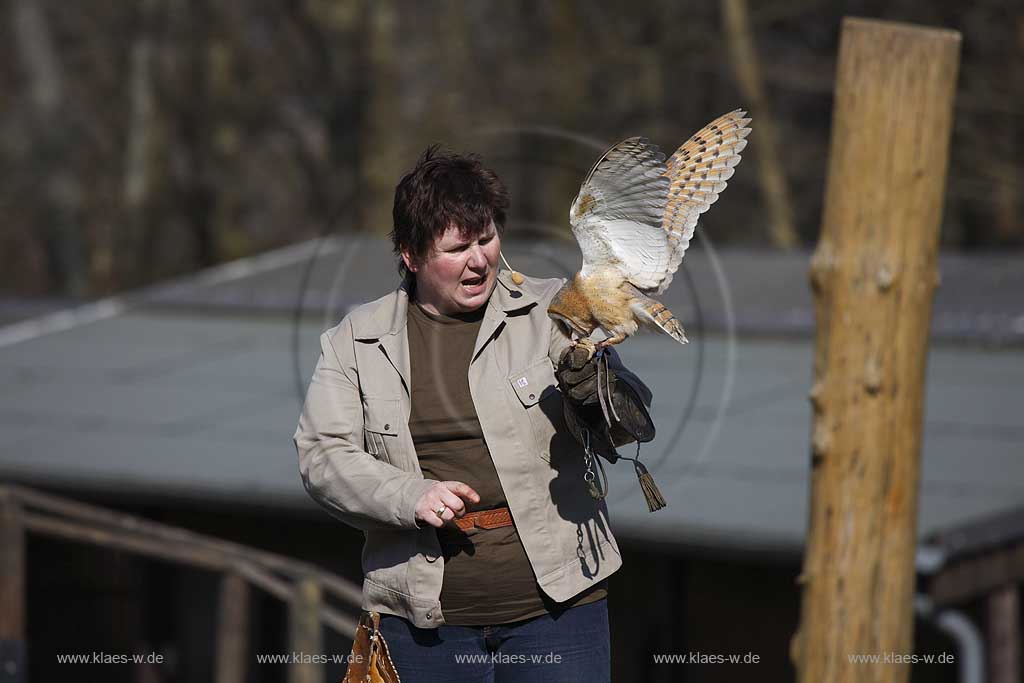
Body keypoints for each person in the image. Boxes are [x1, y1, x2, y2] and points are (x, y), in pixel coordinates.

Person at [293, 145, 653, 682]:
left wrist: (593, 390)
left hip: (558, 613)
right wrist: (408, 495)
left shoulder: (554, 311)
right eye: (458, 247)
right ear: (411, 255)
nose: (479, 259)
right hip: (424, 623)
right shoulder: (356, 341)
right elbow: (322, 456)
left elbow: (625, 428)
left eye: (486, 239)